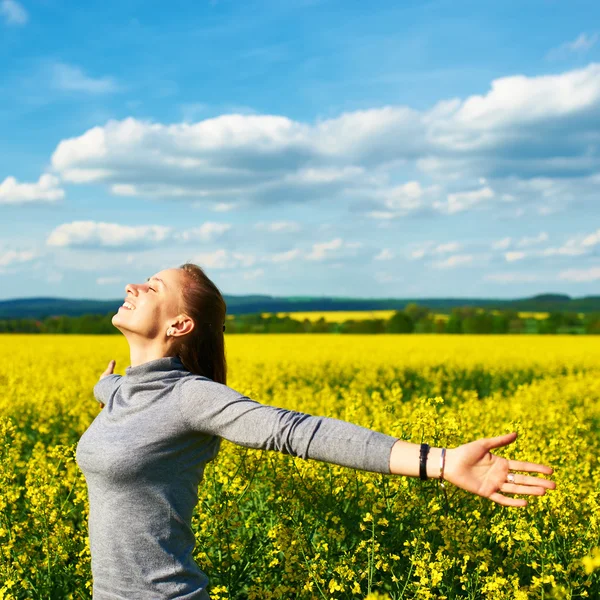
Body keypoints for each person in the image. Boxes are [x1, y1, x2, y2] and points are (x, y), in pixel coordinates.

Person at [75, 263, 556, 600]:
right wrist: (106, 384)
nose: (133, 286)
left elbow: (297, 431)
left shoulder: (192, 398)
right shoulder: (122, 393)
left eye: (154, 287)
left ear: (181, 323)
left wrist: (441, 461)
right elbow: (121, 397)